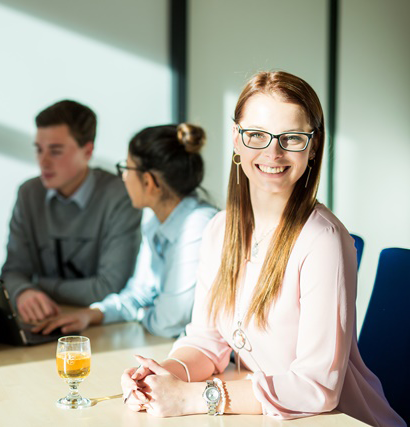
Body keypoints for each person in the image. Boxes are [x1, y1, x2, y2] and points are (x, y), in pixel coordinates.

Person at [120, 71, 404, 426]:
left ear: (313, 146)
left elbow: (316, 387)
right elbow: (207, 342)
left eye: (292, 137)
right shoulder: (219, 230)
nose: (273, 152)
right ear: (237, 140)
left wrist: (194, 396)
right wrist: (163, 376)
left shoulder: (323, 240)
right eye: (256, 135)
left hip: (338, 419)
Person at [34, 123, 217, 338]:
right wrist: (93, 314)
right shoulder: (155, 221)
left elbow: (169, 321)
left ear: (148, 182)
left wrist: (142, 314)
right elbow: (138, 294)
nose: (123, 177)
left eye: (126, 168)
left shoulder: (198, 225)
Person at [1, 100, 141, 324]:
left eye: (55, 151)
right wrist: (24, 292)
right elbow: (12, 271)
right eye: (38, 150)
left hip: (99, 325)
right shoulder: (29, 193)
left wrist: (37, 284)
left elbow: (109, 287)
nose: (43, 161)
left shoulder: (120, 196)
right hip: (40, 323)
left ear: (88, 151)